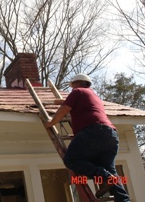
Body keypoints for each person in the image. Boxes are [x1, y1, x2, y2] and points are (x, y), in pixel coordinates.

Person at [46, 74, 131, 202]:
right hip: (110, 135)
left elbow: (64, 109)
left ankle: (104, 176)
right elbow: (72, 104)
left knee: (71, 159)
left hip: (94, 131)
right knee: (110, 170)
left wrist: (51, 122)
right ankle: (123, 199)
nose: (71, 88)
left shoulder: (77, 91)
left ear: (77, 83)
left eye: (72, 85)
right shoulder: (92, 96)